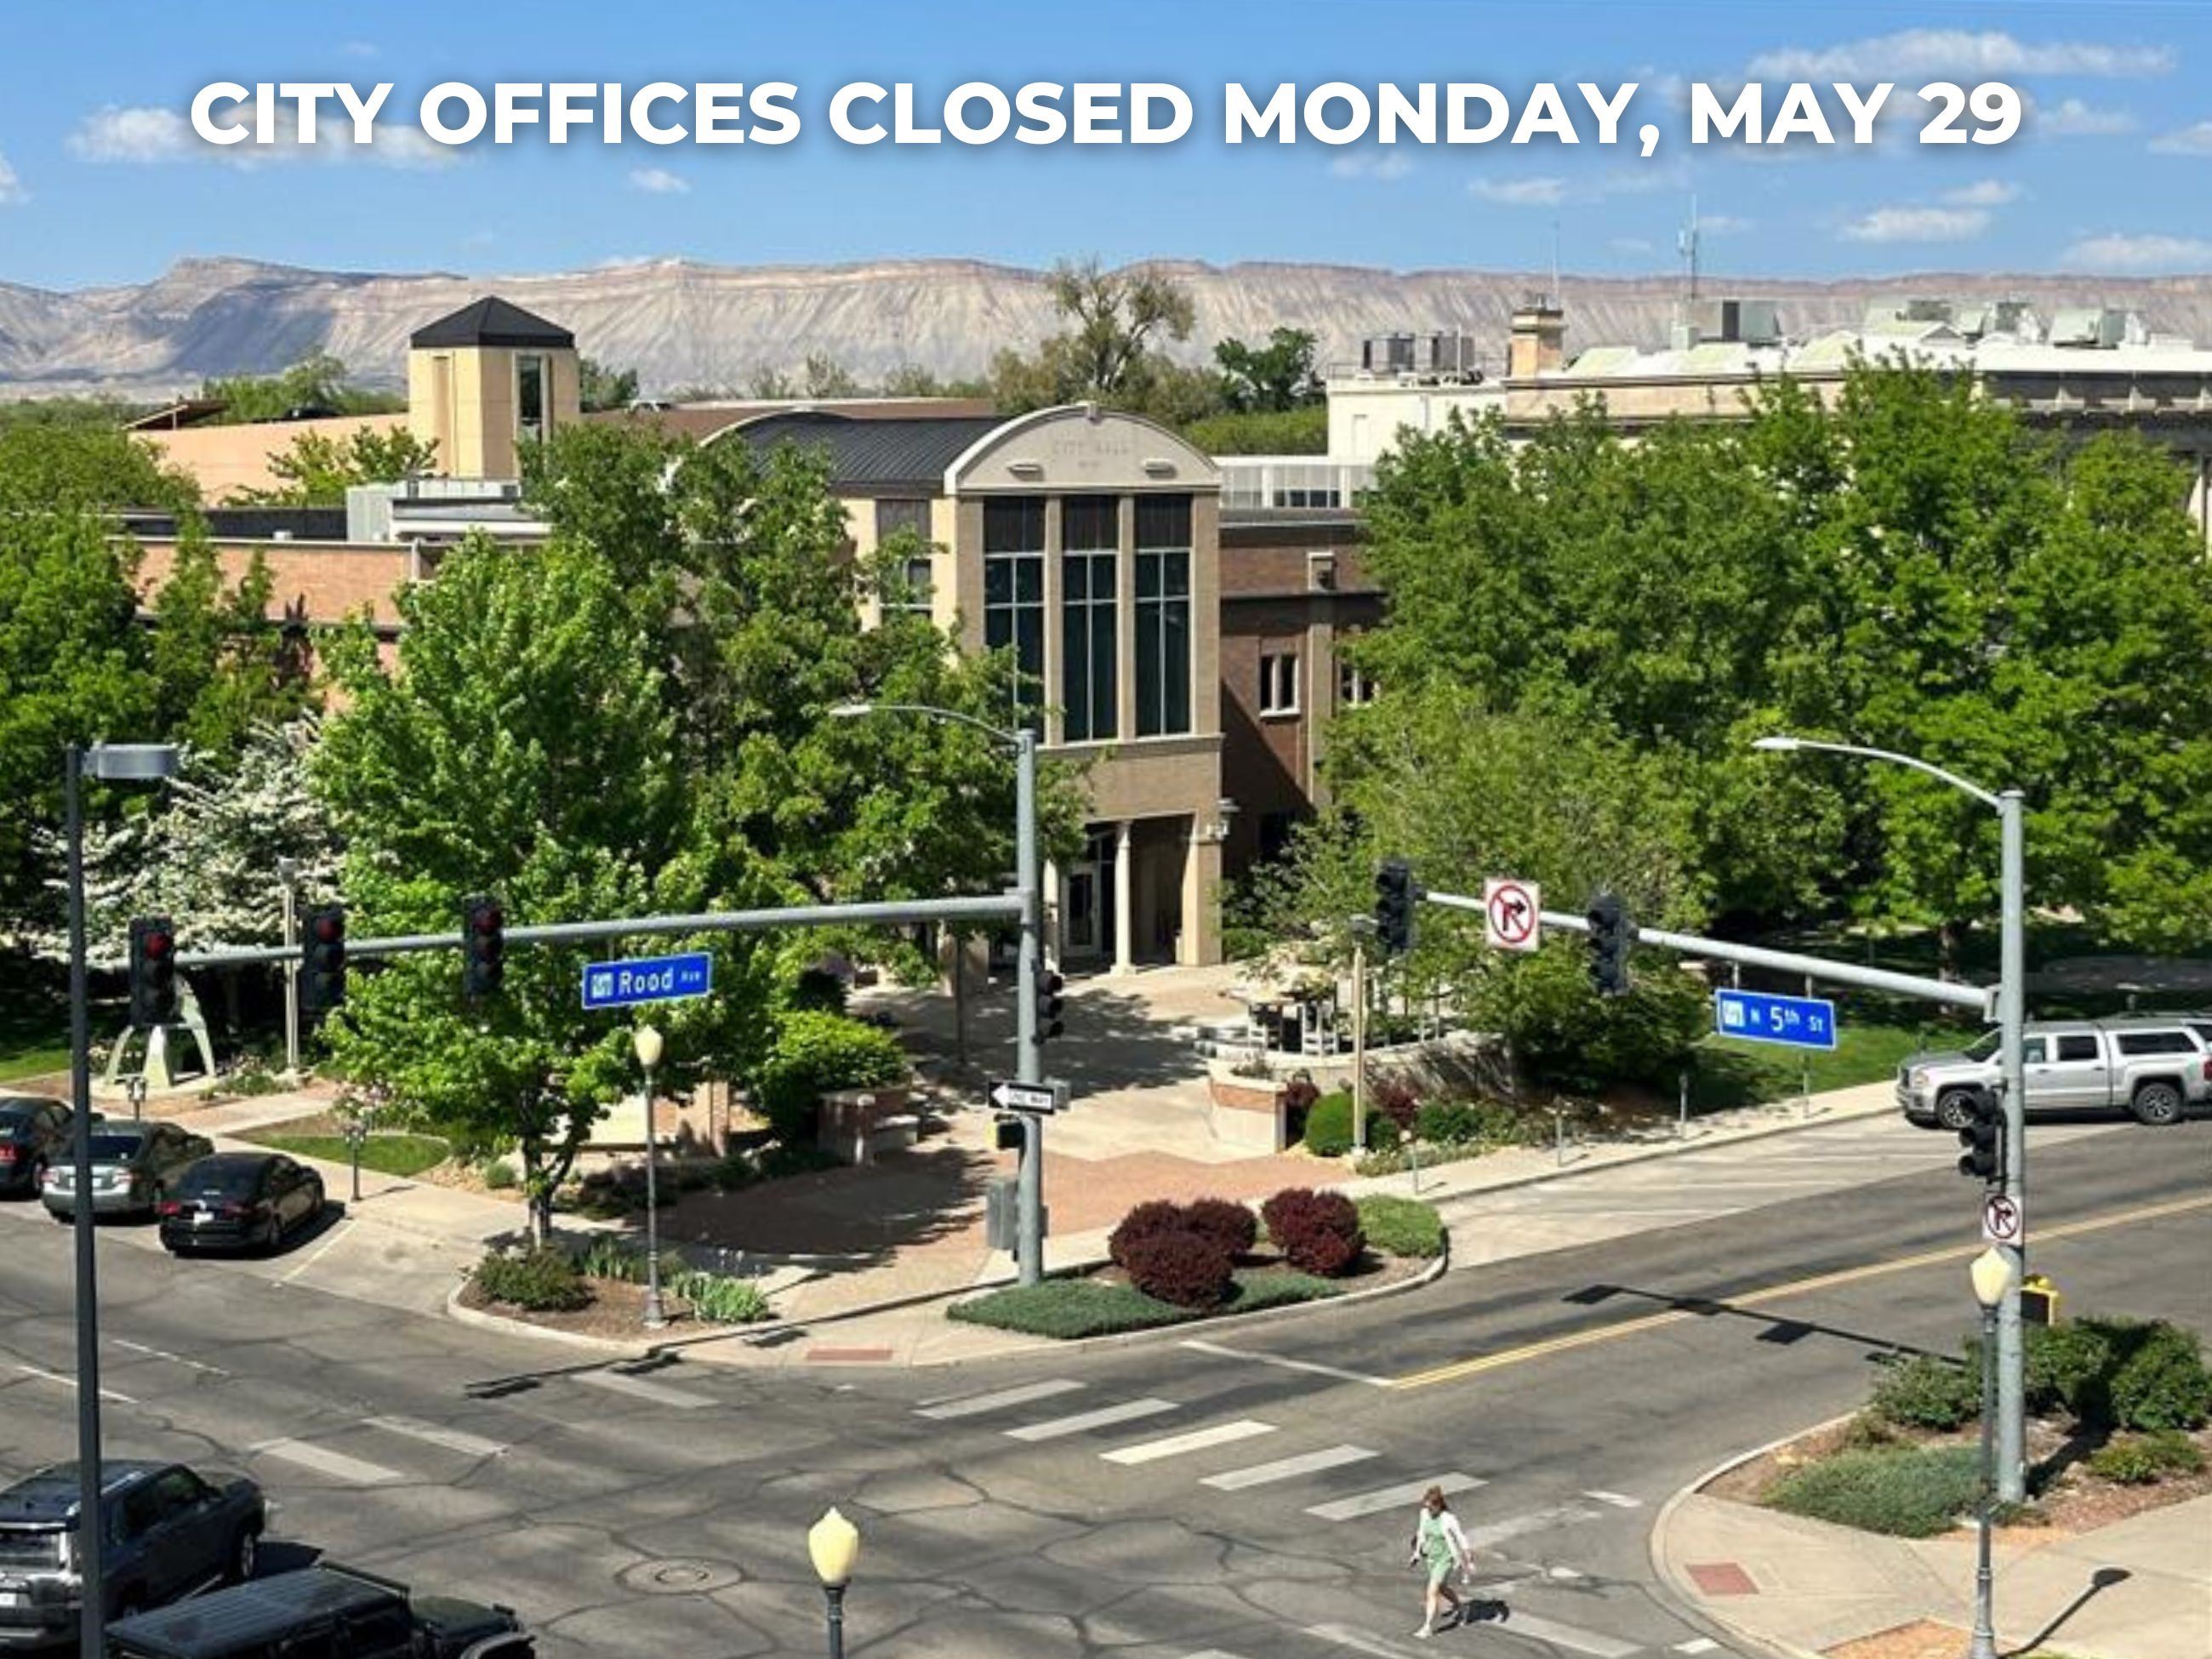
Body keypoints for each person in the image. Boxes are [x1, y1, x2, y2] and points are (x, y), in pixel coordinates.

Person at [1407, 1484, 1474, 1638]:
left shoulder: (1448, 1519)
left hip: (1446, 1558)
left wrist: (1468, 1556)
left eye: (1431, 1508)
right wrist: (1416, 1554)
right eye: (1426, 1507)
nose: (1428, 1510)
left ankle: (1427, 1627)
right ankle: (1462, 1608)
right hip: (1432, 1557)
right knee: (1442, 1588)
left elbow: (1460, 1537)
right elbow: (1421, 1533)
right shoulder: (1424, 1514)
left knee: (1432, 1591)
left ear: (1438, 1506)